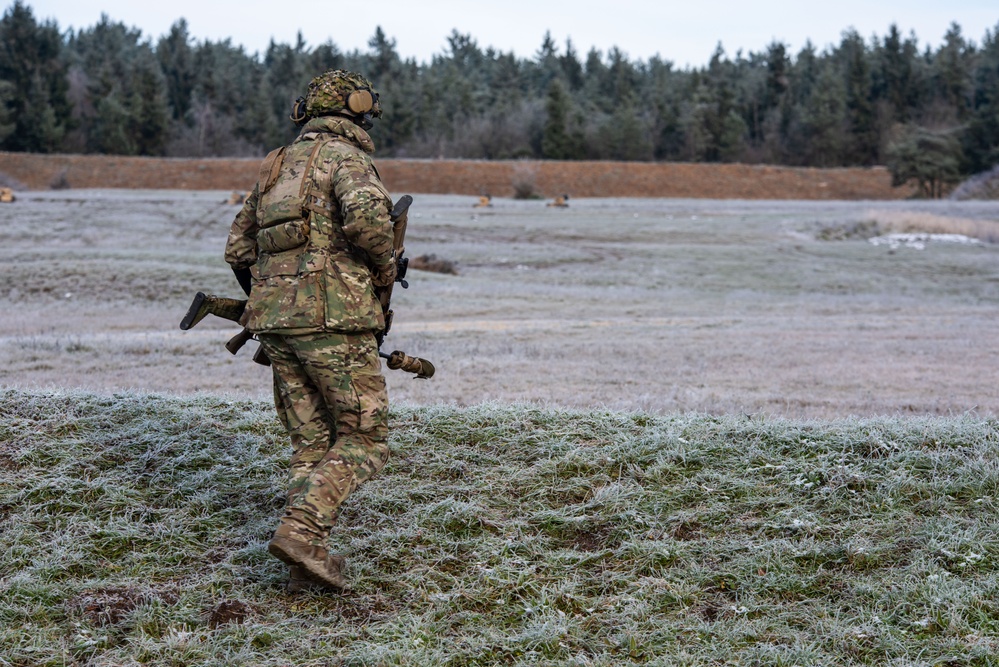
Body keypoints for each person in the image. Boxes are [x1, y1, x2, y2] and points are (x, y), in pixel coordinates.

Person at [224, 69, 397, 592]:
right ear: (359, 108)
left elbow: (238, 248)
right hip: (335, 318)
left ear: (306, 111)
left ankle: (304, 562)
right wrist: (383, 269)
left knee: (313, 442)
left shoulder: (275, 164)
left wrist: (271, 295)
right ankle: (301, 533)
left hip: (274, 324)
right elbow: (369, 225)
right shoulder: (347, 158)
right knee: (364, 438)